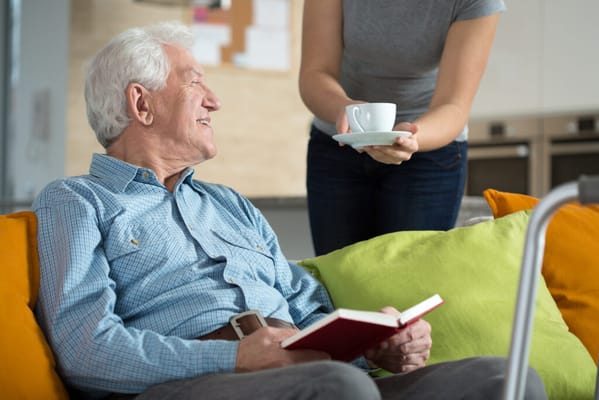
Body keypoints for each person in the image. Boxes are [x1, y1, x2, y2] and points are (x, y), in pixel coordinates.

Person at [32, 21, 546, 400]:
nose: (215, 101)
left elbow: (306, 306)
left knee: (508, 378)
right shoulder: (78, 202)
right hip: (193, 382)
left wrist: (372, 343)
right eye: (194, 83)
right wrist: (235, 356)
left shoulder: (229, 204)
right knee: (340, 387)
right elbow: (86, 349)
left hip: (312, 373)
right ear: (142, 105)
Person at [299, 0, 506, 256]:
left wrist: (411, 137)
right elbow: (315, 72)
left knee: (410, 284)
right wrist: (345, 109)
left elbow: (453, 105)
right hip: (340, 141)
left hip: (429, 148)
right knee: (337, 280)